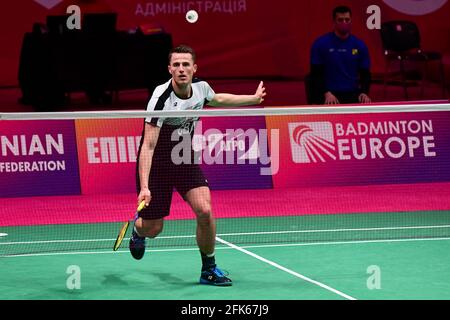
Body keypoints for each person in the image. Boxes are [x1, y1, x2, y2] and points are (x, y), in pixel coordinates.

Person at [130, 45, 266, 286]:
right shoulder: (160, 99)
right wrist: (144, 187)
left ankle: (208, 269)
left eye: (186, 64)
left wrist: (253, 99)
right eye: (177, 65)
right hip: (158, 163)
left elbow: (218, 98)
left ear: (194, 68)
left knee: (204, 210)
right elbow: (148, 146)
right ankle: (138, 231)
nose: (181, 69)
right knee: (153, 228)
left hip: (183, 158)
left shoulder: (200, 88)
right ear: (169, 69)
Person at [309, 5, 372, 104]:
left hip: (352, 93)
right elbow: (315, 74)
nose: (344, 23)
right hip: (328, 94)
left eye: (347, 20)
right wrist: (326, 93)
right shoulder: (320, 44)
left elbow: (365, 73)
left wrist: (364, 92)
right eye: (340, 20)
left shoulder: (359, 45)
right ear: (334, 21)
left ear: (351, 21)